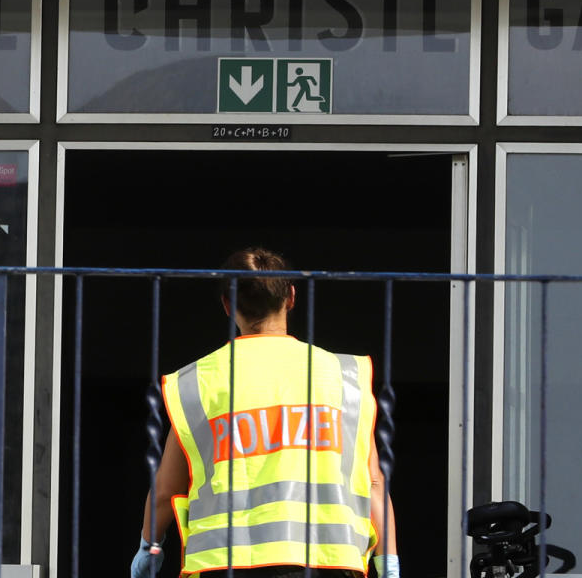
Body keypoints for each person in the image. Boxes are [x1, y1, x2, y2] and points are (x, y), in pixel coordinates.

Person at [131, 248, 400, 578]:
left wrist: (149, 548)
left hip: (230, 566)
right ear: (291, 297)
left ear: (228, 306)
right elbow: (374, 482)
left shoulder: (200, 382)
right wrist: (389, 563)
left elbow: (164, 492)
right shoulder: (342, 376)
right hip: (328, 562)